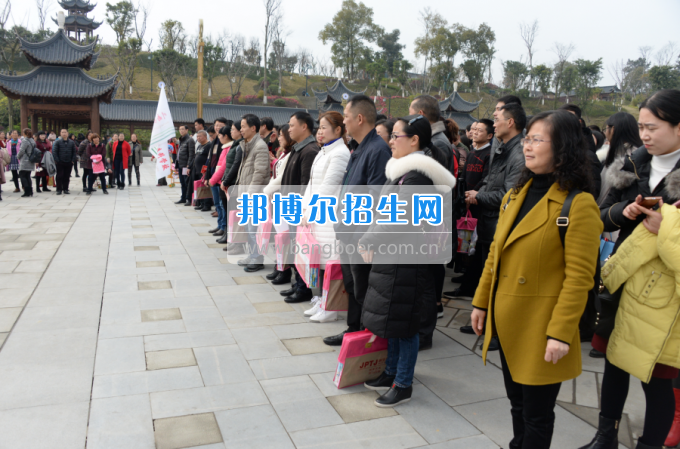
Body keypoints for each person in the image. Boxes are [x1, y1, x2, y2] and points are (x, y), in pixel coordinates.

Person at [471, 110, 602, 449]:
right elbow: (495, 255)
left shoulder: (579, 204)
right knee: (517, 406)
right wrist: (481, 302)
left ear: (562, 148)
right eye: (527, 139)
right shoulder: (516, 194)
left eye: (536, 140)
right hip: (508, 319)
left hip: (542, 328)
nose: (527, 147)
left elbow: (579, 278)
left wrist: (560, 333)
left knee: (537, 415)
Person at [583, 89, 680, 449]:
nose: (645, 135)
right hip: (623, 276)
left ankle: (649, 444)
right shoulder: (631, 163)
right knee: (613, 361)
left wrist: (665, 226)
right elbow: (602, 214)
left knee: (656, 378)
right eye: (641, 127)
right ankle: (604, 434)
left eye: (653, 127)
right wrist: (623, 213)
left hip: (665, 289)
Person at [358, 115, 456, 406]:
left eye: (395, 136)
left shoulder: (415, 176)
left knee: (405, 323)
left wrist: (368, 239)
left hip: (407, 260)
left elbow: (398, 218)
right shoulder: (403, 172)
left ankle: (403, 382)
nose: (390, 141)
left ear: (414, 140)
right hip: (395, 256)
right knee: (394, 319)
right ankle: (390, 372)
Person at [452, 104, 526, 343]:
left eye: (496, 119)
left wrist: (479, 196)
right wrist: (479, 191)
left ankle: (496, 332)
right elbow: (490, 179)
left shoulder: (518, 153)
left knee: (498, 279)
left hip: (499, 223)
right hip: (488, 221)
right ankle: (486, 325)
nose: (493, 124)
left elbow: (510, 194)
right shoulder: (502, 147)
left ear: (511, 122)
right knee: (488, 273)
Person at [324, 95, 392, 347]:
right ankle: (353, 329)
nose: (344, 120)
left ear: (360, 119)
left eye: (347, 116)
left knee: (364, 288)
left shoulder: (378, 150)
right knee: (352, 284)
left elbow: (376, 198)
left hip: (360, 233)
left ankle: (366, 338)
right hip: (348, 230)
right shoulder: (359, 147)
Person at [300, 111, 351, 321]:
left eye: (324, 127)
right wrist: (304, 210)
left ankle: (332, 308)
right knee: (319, 262)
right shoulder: (324, 151)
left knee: (331, 264)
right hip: (316, 217)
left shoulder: (340, 153)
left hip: (328, 218)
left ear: (338, 130)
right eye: (319, 127)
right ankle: (322, 301)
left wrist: (311, 211)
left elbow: (328, 189)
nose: (319, 131)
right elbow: (312, 186)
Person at [449, 119, 493, 299]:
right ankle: (467, 276)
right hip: (466, 200)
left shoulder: (489, 154)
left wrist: (475, 195)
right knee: (467, 243)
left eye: (479, 130)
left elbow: (487, 178)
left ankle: (470, 285)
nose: (474, 132)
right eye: (473, 129)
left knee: (475, 244)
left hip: (478, 203)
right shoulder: (474, 151)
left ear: (490, 135)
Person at [277, 111, 320, 296]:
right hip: (290, 205)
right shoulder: (298, 148)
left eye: (292, 125)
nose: (289, 128)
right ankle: (298, 283)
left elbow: (305, 185)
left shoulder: (310, 150)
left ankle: (304, 288)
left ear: (304, 127)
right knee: (295, 247)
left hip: (298, 208)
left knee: (301, 248)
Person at [234, 114, 270, 272]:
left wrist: (250, 195)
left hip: (254, 195)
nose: (241, 130)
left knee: (254, 228)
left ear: (253, 128)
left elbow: (259, 173)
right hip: (247, 194)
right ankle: (252, 254)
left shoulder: (260, 146)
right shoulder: (247, 145)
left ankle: (257, 258)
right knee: (250, 228)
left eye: (243, 126)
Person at [263, 124, 294, 278]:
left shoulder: (290, 154)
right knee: (279, 236)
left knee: (284, 236)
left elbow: (281, 178)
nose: (279, 138)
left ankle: (284, 269)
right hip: (277, 197)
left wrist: (266, 190)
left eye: (281, 135)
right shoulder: (284, 153)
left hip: (283, 197)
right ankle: (279, 265)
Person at [597, 111, 643, 205]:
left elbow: (606, 192)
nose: (605, 133)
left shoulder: (626, 158)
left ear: (613, 130)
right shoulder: (632, 154)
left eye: (605, 129)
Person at [560, 104, 603, 199]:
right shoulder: (556, 151)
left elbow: (592, 193)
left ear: (579, 122)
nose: (564, 124)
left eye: (568, 119)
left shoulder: (588, 156)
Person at [409, 95, 455, 173]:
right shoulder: (429, 138)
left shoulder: (438, 142)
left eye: (410, 112)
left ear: (420, 114)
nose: (408, 117)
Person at [208, 121, 233, 240]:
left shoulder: (230, 148)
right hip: (219, 180)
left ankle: (225, 229)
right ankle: (222, 227)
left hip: (224, 181)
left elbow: (224, 167)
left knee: (225, 208)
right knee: (219, 204)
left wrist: (213, 179)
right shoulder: (223, 147)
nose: (217, 129)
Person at [223, 121, 245, 255]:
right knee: (233, 215)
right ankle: (234, 241)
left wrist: (226, 180)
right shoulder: (236, 144)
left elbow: (236, 165)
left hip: (236, 184)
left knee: (237, 216)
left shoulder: (241, 145)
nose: (231, 132)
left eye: (233, 129)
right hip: (232, 183)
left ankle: (238, 244)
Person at [52, 129, 77, 195]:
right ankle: (59, 189)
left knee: (67, 176)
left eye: (65, 132)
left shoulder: (71, 142)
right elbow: (55, 152)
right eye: (62, 132)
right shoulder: (57, 142)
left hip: (69, 162)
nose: (64, 133)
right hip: (60, 162)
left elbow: (74, 152)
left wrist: (72, 160)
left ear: (67, 133)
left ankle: (65, 189)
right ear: (60, 133)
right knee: (59, 176)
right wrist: (57, 160)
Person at [176, 125, 195, 206]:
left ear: (187, 130)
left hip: (185, 166)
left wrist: (188, 165)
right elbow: (179, 153)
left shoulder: (189, 140)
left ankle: (188, 198)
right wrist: (176, 165)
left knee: (187, 182)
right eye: (180, 129)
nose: (181, 131)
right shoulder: (181, 140)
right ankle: (183, 198)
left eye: (183, 129)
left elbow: (191, 154)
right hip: (180, 164)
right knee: (182, 182)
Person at [17, 129, 36, 198]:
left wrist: (17, 156)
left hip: (25, 160)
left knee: (22, 175)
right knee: (28, 176)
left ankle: (27, 191)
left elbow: (22, 150)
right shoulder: (32, 140)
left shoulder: (25, 141)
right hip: (31, 160)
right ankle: (30, 191)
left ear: (24, 134)